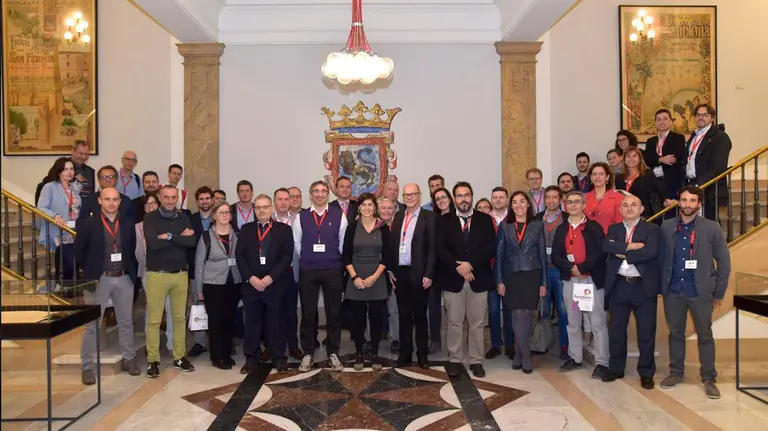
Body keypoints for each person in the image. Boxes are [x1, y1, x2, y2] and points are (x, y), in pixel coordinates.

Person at [658, 186, 731, 399]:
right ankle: (676, 373)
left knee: (705, 336)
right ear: (678, 202)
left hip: (701, 293)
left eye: (692, 201)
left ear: (699, 204)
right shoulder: (667, 226)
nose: (687, 204)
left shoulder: (711, 228)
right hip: (673, 292)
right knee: (676, 334)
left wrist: (718, 292)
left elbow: (724, 263)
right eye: (683, 200)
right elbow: (661, 260)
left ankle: (709, 378)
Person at [75, 187, 140, 384]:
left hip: (123, 278)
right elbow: (80, 253)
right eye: (107, 199)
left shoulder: (128, 224)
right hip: (98, 279)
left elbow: (131, 249)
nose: (111, 203)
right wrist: (90, 273)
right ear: (100, 201)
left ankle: (129, 359)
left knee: (126, 322)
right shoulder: (87, 225)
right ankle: (87, 366)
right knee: (92, 325)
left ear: (120, 201)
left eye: (115, 199)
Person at [438, 182, 496, 378]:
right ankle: (454, 360)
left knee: (477, 323)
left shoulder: (485, 220)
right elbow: (440, 249)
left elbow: (490, 247)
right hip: (452, 278)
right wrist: (459, 267)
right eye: (460, 195)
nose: (464, 199)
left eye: (467, 195)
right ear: (454, 199)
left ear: (472, 196)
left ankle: (476, 360)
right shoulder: (444, 220)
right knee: (454, 322)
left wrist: (471, 265)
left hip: (478, 278)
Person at [602, 194, 660, 390]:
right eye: (625, 205)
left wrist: (622, 251)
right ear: (620, 210)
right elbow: (606, 246)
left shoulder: (652, 229)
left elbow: (650, 252)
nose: (629, 208)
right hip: (618, 286)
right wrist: (632, 246)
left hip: (643, 287)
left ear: (641, 209)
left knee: (646, 332)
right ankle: (616, 368)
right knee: (616, 331)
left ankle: (646, 372)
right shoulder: (613, 229)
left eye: (633, 205)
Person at [552, 191, 609, 379]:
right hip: (570, 280)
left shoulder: (594, 227)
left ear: (584, 205)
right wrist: (572, 268)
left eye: (577, 202)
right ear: (565, 206)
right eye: (570, 202)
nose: (573, 205)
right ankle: (575, 357)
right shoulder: (561, 229)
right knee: (573, 322)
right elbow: (556, 256)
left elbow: (600, 253)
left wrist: (583, 268)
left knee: (598, 323)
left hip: (591, 279)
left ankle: (602, 362)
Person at [292, 181, 348, 372]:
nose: (320, 194)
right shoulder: (301, 217)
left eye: (323, 191)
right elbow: (297, 244)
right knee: (308, 314)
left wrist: (331, 257)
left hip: (332, 269)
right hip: (308, 270)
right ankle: (308, 352)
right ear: (310, 194)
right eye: (316, 191)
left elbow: (342, 243)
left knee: (334, 314)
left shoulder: (339, 215)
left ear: (328, 194)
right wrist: (310, 257)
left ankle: (333, 353)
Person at [143, 185, 197, 377]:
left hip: (180, 274)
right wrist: (179, 238)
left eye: (173, 197)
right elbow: (153, 244)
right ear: (159, 197)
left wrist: (168, 236)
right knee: (154, 320)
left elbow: (191, 242)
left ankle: (179, 357)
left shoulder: (183, 217)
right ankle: (153, 360)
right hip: (157, 274)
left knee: (180, 318)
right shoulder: (150, 218)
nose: (169, 200)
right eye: (166, 197)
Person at [237, 195, 293, 374]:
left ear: (271, 208)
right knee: (252, 323)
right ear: (254, 209)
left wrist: (270, 277)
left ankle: (279, 358)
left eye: (265, 207)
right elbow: (240, 256)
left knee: (275, 324)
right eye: (258, 207)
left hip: (274, 285)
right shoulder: (246, 229)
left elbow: (286, 257)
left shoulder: (283, 230)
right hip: (251, 285)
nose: (262, 210)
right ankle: (251, 358)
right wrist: (251, 278)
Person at [495, 191, 548, 374]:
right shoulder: (505, 225)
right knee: (517, 315)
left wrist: (544, 282)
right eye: (515, 202)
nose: (518, 205)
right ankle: (526, 355)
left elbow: (542, 254)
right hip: (512, 276)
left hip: (532, 274)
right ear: (512, 206)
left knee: (527, 315)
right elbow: (499, 255)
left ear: (528, 205)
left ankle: (519, 353)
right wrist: (499, 280)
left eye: (522, 201)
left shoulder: (537, 225)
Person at [389, 184, 437, 369]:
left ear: (419, 195)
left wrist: (429, 274)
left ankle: (422, 355)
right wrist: (391, 270)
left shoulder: (429, 217)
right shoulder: (399, 215)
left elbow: (433, 248)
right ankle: (405, 353)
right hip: (401, 273)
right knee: (403, 315)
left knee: (420, 316)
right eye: (406, 194)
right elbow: (394, 245)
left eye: (413, 194)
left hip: (420, 274)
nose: (409, 197)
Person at [342, 193, 391, 371]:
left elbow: (387, 256)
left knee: (376, 317)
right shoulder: (352, 227)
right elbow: (346, 255)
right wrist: (354, 277)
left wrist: (374, 277)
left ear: (375, 207)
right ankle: (359, 353)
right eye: (364, 205)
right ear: (359, 207)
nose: (367, 208)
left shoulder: (382, 227)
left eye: (371, 205)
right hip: (356, 277)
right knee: (357, 319)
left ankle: (375, 353)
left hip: (376, 277)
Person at [136, 193, 174, 354]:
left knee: (172, 309)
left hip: (171, 271)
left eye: (153, 203)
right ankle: (151, 344)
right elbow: (138, 252)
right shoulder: (137, 227)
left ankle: (172, 344)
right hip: (149, 272)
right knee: (153, 310)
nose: (150, 206)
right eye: (147, 204)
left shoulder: (167, 223)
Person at [534, 185, 568, 360]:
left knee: (563, 311)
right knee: (543, 310)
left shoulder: (567, 219)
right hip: (542, 271)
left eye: (555, 197)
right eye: (548, 197)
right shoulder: (537, 219)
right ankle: (542, 343)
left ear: (561, 199)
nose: (551, 200)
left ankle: (565, 346)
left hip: (561, 271)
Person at [682, 104, 732, 221]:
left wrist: (699, 185)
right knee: (694, 224)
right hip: (692, 184)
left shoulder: (720, 137)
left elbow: (718, 166)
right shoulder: (694, 136)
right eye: (698, 115)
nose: (701, 118)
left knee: (709, 225)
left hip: (708, 187)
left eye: (705, 115)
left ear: (712, 118)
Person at [37, 157, 81, 283]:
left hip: (74, 230)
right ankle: (63, 289)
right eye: (65, 169)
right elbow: (41, 207)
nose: (69, 172)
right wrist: (55, 216)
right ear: (59, 171)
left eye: (71, 169)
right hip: (60, 230)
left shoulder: (75, 187)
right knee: (65, 262)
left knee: (74, 263)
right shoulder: (50, 187)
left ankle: (72, 289)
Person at [272, 188, 303, 360]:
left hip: (292, 271)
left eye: (286, 199)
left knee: (291, 312)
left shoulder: (298, 220)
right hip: (273, 274)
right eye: (280, 199)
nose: (284, 202)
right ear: (274, 201)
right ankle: (274, 346)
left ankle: (293, 345)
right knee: (273, 312)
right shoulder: (268, 221)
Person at [486, 186, 515, 360]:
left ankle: (510, 345)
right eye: (495, 197)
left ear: (507, 199)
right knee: (494, 309)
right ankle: (495, 344)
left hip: (510, 270)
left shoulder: (512, 219)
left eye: (501, 197)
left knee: (510, 308)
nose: (498, 200)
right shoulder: (485, 219)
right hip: (490, 270)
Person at [186, 187, 215, 358]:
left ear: (212, 200)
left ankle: (217, 340)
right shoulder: (190, 220)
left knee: (217, 307)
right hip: (195, 271)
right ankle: (199, 343)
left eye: (207, 198)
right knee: (197, 306)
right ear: (197, 202)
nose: (204, 202)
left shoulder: (219, 218)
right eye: (201, 199)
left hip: (217, 272)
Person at [643, 109, 687, 201]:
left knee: (669, 211)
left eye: (665, 119)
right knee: (655, 211)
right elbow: (647, 160)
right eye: (658, 119)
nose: (661, 122)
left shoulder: (678, 138)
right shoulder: (650, 141)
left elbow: (673, 159)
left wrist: (655, 159)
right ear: (655, 122)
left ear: (671, 121)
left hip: (670, 182)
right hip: (653, 181)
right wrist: (661, 159)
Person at [615, 146, 667, 219]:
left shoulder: (647, 174)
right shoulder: (618, 178)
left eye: (634, 156)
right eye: (628, 156)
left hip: (644, 216)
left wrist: (666, 200)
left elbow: (659, 190)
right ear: (624, 159)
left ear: (639, 159)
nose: (631, 159)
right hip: (624, 216)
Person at [378, 197, 399, 353]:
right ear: (378, 210)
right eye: (383, 208)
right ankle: (371, 339)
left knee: (394, 310)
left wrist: (393, 271)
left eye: (389, 208)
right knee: (372, 310)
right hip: (376, 273)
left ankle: (395, 339)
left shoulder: (400, 226)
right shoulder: (373, 226)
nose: (386, 211)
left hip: (396, 275)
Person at [585, 162, 623, 234]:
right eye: (594, 174)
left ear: (607, 177)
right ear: (591, 177)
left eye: (601, 174)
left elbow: (620, 224)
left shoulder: (618, 198)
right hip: (588, 240)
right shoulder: (584, 198)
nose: (597, 177)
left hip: (609, 239)